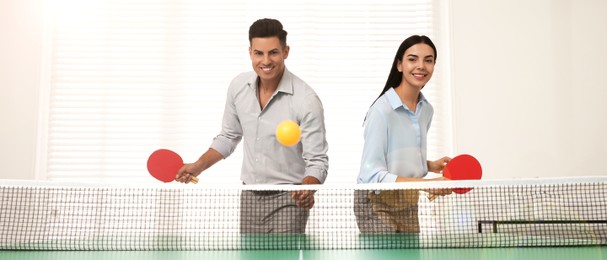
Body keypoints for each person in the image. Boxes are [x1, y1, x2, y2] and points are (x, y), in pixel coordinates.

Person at [175, 18, 329, 234]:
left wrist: (307, 189)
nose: (266, 60)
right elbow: (229, 136)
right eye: (259, 53)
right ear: (250, 53)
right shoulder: (238, 87)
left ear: (286, 51)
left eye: (273, 52)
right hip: (249, 195)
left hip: (289, 199)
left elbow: (317, 160)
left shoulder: (306, 100)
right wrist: (198, 165)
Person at [355, 35, 451, 233]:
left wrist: (429, 165)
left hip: (407, 199)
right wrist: (427, 184)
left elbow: (395, 158)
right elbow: (371, 174)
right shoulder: (381, 111)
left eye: (428, 60)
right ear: (399, 65)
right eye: (412, 59)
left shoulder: (426, 110)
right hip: (376, 201)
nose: (421, 66)